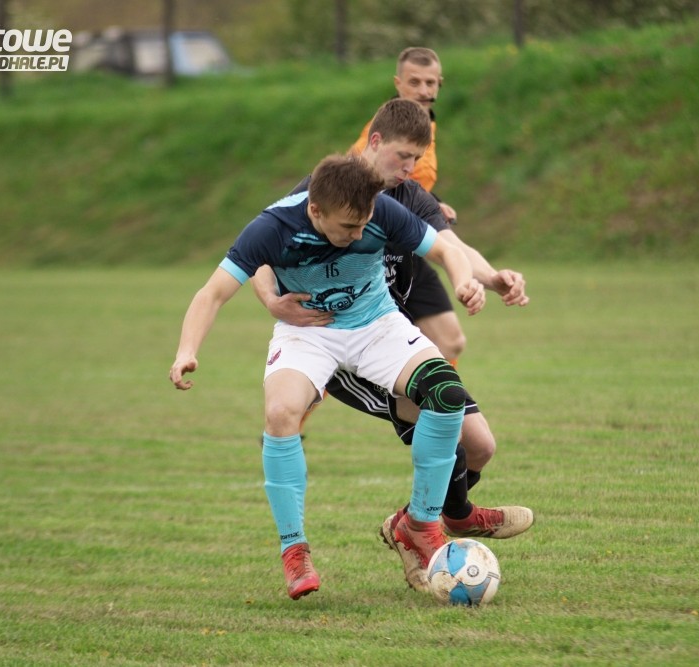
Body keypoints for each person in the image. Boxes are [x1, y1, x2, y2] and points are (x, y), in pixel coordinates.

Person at [169, 154, 486, 599]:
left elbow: (445, 250)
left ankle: (422, 525)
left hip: (377, 325)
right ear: (315, 211)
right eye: (348, 227)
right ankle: (294, 550)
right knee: (281, 413)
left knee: (447, 394)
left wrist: (463, 281)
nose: (358, 234)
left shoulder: (380, 208)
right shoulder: (273, 227)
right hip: (308, 333)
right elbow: (212, 293)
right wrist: (187, 350)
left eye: (364, 225)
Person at [252, 100, 534, 563]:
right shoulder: (324, 191)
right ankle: (438, 524)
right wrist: (270, 300)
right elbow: (261, 249)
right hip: (339, 347)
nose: (409, 168)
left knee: (481, 446)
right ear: (375, 141)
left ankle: (417, 522)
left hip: (385, 337)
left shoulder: (409, 197)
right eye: (403, 157)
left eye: (417, 159)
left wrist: (490, 277)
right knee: (444, 428)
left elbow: (451, 246)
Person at [350, 47, 466, 365]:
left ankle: (431, 398)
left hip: (408, 244)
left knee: (449, 340)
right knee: (351, 351)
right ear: (398, 83)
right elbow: (356, 176)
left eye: (431, 83)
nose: (424, 91)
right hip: (373, 250)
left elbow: (410, 183)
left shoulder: (426, 126)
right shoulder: (384, 132)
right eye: (415, 82)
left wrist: (433, 203)